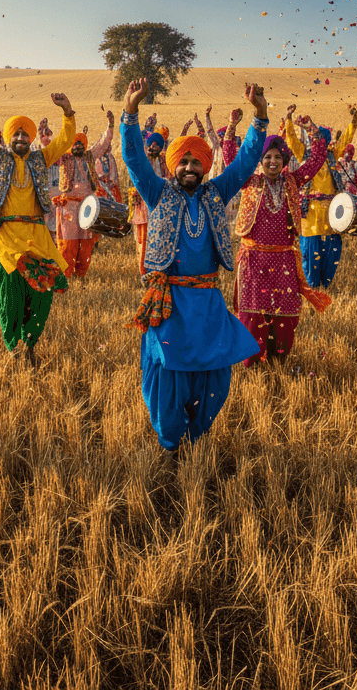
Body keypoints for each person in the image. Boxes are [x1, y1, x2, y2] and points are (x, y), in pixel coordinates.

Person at [122, 77, 269, 463]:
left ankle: (198, 436)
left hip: (207, 302)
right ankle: (171, 443)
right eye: (183, 161)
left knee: (215, 372)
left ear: (205, 166)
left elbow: (247, 162)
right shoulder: (158, 193)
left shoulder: (217, 193)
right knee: (168, 374)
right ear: (173, 167)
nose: (189, 167)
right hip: (169, 301)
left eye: (195, 162)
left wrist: (261, 116)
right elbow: (135, 161)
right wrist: (131, 114)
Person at [0, 83, 76, 364]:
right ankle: (15, 348)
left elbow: (64, 141)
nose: (20, 137)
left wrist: (66, 112)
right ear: (8, 137)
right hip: (5, 237)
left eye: (25, 133)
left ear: (31, 138)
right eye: (15, 133)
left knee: (42, 295)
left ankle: (29, 342)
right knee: (10, 296)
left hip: (37, 236)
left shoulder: (41, 158)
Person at [228, 121, 332, 367]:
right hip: (254, 259)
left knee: (285, 313)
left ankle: (279, 361)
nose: (272, 162)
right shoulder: (249, 182)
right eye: (267, 157)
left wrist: (314, 133)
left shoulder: (293, 182)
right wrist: (232, 127)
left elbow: (316, 160)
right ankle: (252, 362)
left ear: (284, 160)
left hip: (284, 259)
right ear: (260, 160)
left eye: (277, 157)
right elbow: (233, 160)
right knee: (253, 313)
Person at [285, 104, 357, 288]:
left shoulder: (333, 155)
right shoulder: (305, 154)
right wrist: (288, 119)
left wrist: (354, 121)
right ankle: (312, 285)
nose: (324, 143)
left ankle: (326, 283)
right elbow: (292, 139)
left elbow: (347, 137)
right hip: (309, 212)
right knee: (310, 249)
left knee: (332, 249)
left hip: (332, 211)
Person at [54, 119, 113, 278]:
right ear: (70, 146)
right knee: (68, 241)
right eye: (75, 144)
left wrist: (110, 126)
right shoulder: (64, 158)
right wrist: (44, 135)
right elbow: (52, 150)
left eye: (80, 144)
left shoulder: (89, 156)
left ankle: (80, 275)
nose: (78, 147)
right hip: (69, 206)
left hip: (88, 206)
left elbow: (102, 145)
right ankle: (65, 275)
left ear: (84, 146)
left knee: (86, 242)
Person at [129, 131, 169, 275]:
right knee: (144, 244)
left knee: (160, 242)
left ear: (161, 148)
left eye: (157, 146)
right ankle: (144, 274)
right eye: (151, 145)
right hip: (144, 209)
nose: (153, 148)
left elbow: (169, 179)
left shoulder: (164, 161)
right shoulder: (141, 162)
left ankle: (158, 273)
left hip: (160, 209)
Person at [92, 111, 122, 203]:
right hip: (98, 189)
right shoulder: (92, 154)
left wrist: (111, 124)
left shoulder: (110, 157)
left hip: (111, 188)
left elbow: (114, 173)